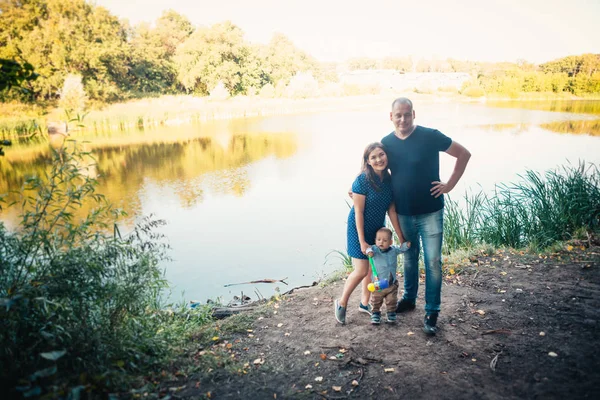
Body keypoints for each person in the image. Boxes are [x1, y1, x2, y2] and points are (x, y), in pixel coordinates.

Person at [382, 97, 471, 335]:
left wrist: (449, 185)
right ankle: (409, 299)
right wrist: (357, 188)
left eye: (407, 114)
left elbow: (464, 154)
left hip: (431, 212)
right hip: (403, 213)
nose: (403, 119)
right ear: (391, 117)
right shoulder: (386, 143)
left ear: (414, 114)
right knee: (409, 258)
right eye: (398, 115)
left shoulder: (431, 136)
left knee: (433, 263)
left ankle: (432, 310)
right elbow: (374, 168)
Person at [334, 142, 406, 325]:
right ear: (367, 161)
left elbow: (392, 211)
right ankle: (341, 303)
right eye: (373, 157)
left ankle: (364, 304)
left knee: (370, 268)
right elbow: (358, 212)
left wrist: (401, 237)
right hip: (357, 228)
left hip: (376, 230)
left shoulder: (389, 180)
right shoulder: (362, 180)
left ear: (386, 156)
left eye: (381, 155)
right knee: (361, 270)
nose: (378, 159)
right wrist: (362, 242)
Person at [365, 227, 410, 325]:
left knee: (392, 300)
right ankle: (376, 313)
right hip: (378, 284)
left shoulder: (394, 250)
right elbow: (367, 248)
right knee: (376, 300)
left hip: (391, 284)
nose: (381, 242)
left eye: (385, 240)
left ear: (390, 242)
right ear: (375, 241)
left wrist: (407, 245)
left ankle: (391, 313)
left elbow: (401, 249)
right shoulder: (374, 250)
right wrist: (369, 252)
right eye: (378, 239)